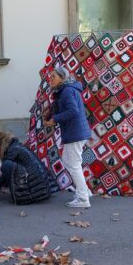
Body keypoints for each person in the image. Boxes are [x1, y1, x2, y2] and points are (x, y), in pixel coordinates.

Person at [44, 66, 92, 208]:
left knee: (74, 164)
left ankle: (83, 199)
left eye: (54, 76)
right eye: (50, 76)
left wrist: (55, 119)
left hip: (75, 132)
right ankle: (84, 191)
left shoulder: (67, 91)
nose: (50, 79)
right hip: (75, 132)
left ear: (62, 78)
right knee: (68, 161)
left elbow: (73, 110)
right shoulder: (66, 90)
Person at [0, 131, 51, 205]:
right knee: (8, 166)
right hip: (42, 191)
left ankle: (21, 197)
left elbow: (6, 173)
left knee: (6, 165)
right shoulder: (16, 147)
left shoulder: (11, 150)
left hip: (33, 194)